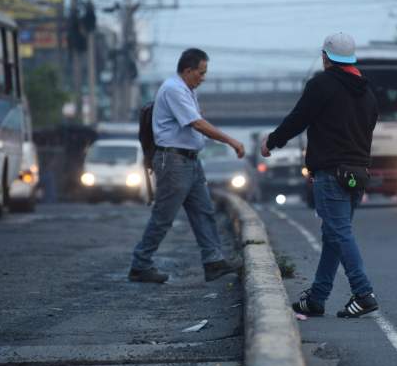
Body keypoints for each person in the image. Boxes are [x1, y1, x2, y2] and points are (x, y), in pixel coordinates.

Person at [261, 32, 379, 318]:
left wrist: (272, 141)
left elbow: (298, 118)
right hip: (358, 173)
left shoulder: (322, 84)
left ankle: (363, 293)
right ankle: (317, 297)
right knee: (333, 235)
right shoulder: (367, 91)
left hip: (331, 173)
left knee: (338, 232)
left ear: (326, 57)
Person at [129, 48, 245, 283]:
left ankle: (213, 261)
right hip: (174, 162)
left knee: (204, 212)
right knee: (164, 216)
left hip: (190, 161)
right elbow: (197, 124)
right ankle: (140, 264)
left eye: (204, 73)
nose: (203, 78)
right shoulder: (174, 89)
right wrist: (231, 141)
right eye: (200, 73)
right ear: (187, 70)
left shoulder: (187, 90)